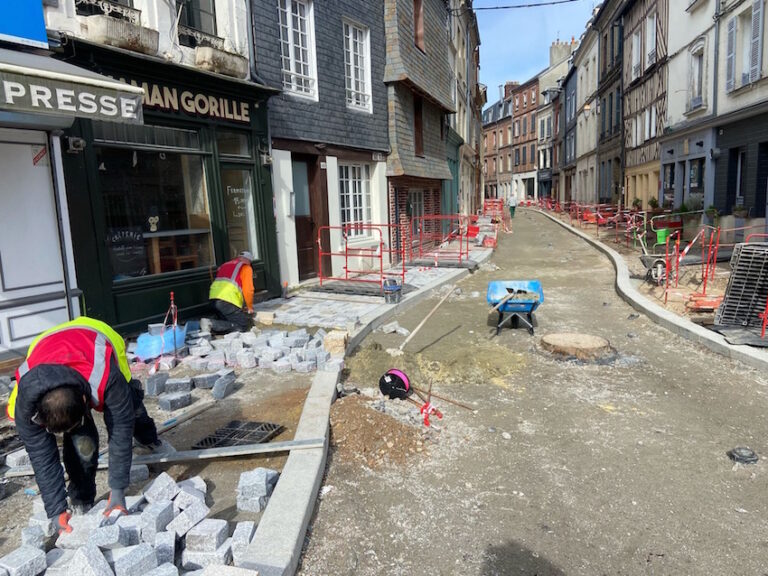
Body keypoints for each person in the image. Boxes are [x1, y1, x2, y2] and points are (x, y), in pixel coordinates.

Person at [7, 317, 163, 533]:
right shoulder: (23, 406)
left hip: (98, 337)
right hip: (46, 343)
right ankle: (82, 498)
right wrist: (55, 510)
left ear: (83, 400)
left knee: (131, 408)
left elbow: (120, 430)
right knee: (83, 443)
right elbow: (42, 457)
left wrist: (118, 490)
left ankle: (149, 438)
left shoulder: (105, 376)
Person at [204, 251, 255, 334]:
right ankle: (211, 324)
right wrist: (249, 307)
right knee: (243, 325)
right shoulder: (246, 267)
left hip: (213, 299)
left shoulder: (225, 265)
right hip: (227, 301)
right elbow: (248, 290)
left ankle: (209, 327)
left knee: (228, 322)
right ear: (248, 261)